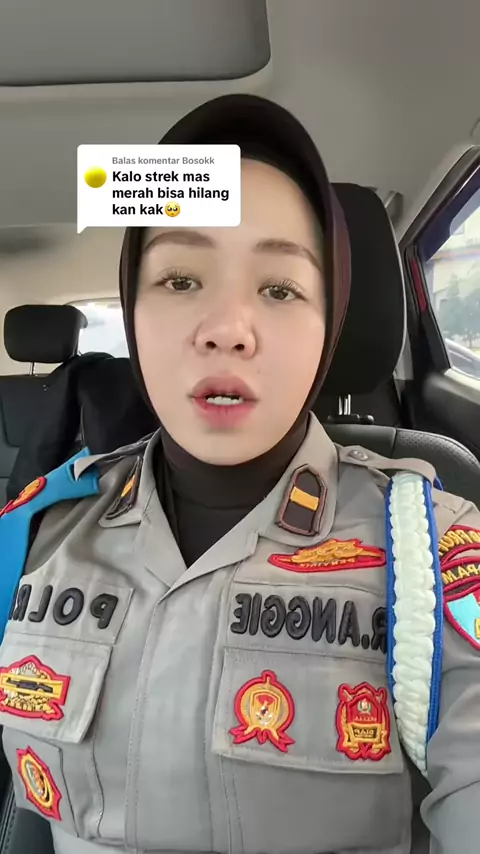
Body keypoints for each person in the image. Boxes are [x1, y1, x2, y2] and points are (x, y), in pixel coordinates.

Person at [0, 94, 478, 854]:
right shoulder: (32, 534)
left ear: (330, 320)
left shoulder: (433, 550)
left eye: (280, 289)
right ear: (132, 312)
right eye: (180, 280)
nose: (225, 329)